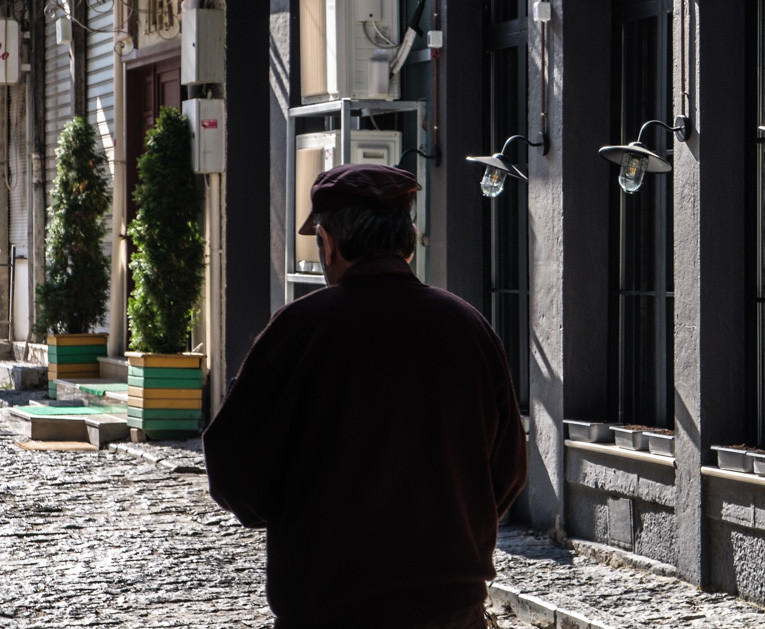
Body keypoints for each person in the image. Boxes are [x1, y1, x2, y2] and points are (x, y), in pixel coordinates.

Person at [203, 163, 527, 629]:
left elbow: (234, 469)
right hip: (450, 609)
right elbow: (508, 470)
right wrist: (451, 520)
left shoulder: (299, 330)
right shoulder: (468, 327)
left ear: (329, 243)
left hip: (330, 606)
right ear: (408, 240)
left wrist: (293, 516)